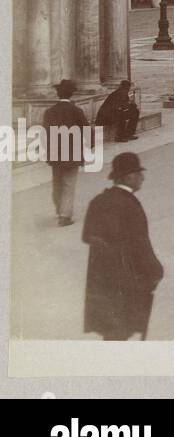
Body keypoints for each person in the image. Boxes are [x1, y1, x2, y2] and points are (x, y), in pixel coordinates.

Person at [82, 152, 164, 341]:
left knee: (111, 334)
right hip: (125, 283)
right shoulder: (131, 206)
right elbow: (141, 245)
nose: (142, 178)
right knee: (121, 333)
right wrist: (155, 271)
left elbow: (87, 236)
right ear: (128, 177)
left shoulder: (98, 201)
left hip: (100, 284)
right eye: (138, 173)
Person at [44, 78, 88, 226]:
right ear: (71, 94)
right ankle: (64, 215)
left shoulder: (49, 112)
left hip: (55, 153)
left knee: (57, 183)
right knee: (69, 184)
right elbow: (86, 131)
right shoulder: (76, 111)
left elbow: (45, 134)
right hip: (72, 153)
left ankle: (59, 209)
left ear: (58, 94)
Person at [98, 79, 140, 143]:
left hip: (114, 113)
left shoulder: (124, 93)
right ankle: (119, 136)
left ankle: (129, 133)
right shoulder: (117, 94)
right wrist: (129, 105)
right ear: (122, 87)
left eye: (127, 88)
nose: (127, 90)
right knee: (121, 114)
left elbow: (126, 106)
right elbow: (118, 108)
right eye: (126, 88)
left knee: (135, 112)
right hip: (105, 116)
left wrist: (132, 104)